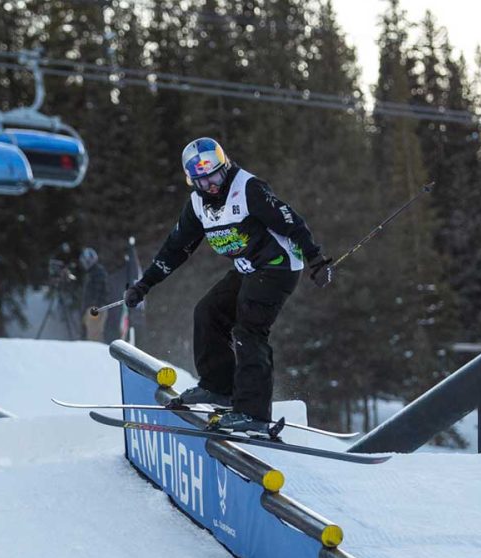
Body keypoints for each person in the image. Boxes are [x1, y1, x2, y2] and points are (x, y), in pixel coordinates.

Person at [122, 137, 332, 434]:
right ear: (192, 181)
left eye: (216, 176)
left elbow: (291, 221)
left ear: (226, 166)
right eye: (202, 181)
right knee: (207, 313)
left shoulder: (248, 188)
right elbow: (175, 248)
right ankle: (219, 387)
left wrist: (316, 259)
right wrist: (144, 285)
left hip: (278, 267)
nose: (212, 186)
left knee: (249, 329)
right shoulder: (197, 205)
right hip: (249, 268)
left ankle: (254, 413)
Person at [77, 246, 119, 343]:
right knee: (90, 334)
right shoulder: (92, 273)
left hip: (95, 308)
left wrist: (94, 306)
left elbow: (99, 291)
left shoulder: (97, 272)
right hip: (92, 308)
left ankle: (95, 354)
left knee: (94, 336)